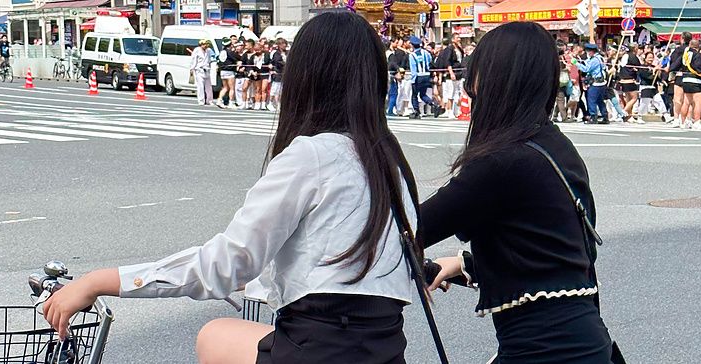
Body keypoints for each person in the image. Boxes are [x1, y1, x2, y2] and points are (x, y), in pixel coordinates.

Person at [41, 12, 421, 364]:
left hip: (320, 350)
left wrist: (98, 281)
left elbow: (226, 264)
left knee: (214, 334)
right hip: (386, 349)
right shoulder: (390, 162)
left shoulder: (311, 155)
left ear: (305, 78)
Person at [421, 21, 622, 363]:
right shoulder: (555, 146)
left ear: (499, 79)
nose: (472, 85)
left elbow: (412, 227)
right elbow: (552, 252)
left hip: (546, 350)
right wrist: (462, 264)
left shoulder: (501, 161)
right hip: (582, 343)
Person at [574, 43, 609, 124]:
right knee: (600, 101)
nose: (587, 54)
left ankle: (593, 117)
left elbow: (586, 69)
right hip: (602, 83)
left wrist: (576, 63)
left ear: (591, 52)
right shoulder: (600, 58)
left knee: (591, 100)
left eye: (588, 52)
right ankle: (605, 116)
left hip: (595, 83)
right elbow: (587, 62)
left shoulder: (594, 60)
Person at [408, 36, 441, 119]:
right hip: (426, 75)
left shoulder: (412, 55)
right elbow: (430, 61)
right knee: (423, 94)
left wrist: (413, 81)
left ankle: (416, 112)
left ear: (412, 45)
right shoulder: (426, 53)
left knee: (414, 95)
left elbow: (413, 69)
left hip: (418, 77)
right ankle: (434, 104)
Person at [681, 39, 701, 130]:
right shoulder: (698, 55)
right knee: (699, 102)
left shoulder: (685, 55)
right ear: (699, 46)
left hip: (685, 79)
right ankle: (697, 122)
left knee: (686, 102)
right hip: (696, 80)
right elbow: (698, 67)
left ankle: (683, 121)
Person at [668, 32, 694, 127]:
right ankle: (688, 119)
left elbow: (673, 61)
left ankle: (676, 119)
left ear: (682, 39)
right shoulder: (693, 51)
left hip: (679, 74)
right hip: (691, 75)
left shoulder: (678, 50)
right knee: (689, 100)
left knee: (678, 99)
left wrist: (671, 70)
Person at [636, 51, 667, 123]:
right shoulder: (642, 67)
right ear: (645, 58)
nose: (651, 59)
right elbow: (646, 76)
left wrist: (660, 76)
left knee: (659, 101)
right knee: (644, 103)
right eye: (649, 57)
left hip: (653, 87)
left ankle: (665, 115)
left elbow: (657, 78)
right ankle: (640, 116)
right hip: (645, 86)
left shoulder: (654, 67)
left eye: (652, 57)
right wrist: (653, 71)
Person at [438, 36, 465, 119]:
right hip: (452, 73)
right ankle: (449, 110)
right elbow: (448, 62)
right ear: (453, 39)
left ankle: (456, 110)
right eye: (457, 38)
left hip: (459, 72)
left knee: (457, 92)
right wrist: (451, 72)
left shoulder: (459, 49)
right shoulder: (450, 49)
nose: (459, 39)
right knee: (451, 92)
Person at [617, 44, 641, 122]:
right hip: (629, 80)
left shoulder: (624, 56)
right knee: (634, 98)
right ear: (634, 49)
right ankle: (623, 112)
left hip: (622, 79)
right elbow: (639, 67)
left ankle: (630, 117)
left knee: (628, 99)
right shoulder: (633, 57)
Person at [190, 39, 213, 106]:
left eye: (206, 44)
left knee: (208, 86)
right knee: (200, 86)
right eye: (204, 44)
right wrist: (192, 68)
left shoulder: (208, 50)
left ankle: (209, 100)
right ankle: (201, 100)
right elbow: (193, 59)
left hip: (207, 69)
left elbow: (210, 59)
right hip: (199, 69)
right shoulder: (197, 50)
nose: (206, 46)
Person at [215, 39, 237, 109]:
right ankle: (231, 102)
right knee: (232, 88)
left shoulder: (222, 52)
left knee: (225, 87)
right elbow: (235, 59)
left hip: (222, 71)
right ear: (230, 45)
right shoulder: (229, 52)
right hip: (229, 71)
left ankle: (219, 100)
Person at [268, 38, 288, 112]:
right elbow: (278, 61)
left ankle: (279, 104)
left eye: (285, 43)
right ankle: (270, 103)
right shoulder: (277, 53)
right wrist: (286, 64)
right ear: (279, 45)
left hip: (284, 73)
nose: (284, 45)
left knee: (281, 90)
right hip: (278, 73)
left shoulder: (287, 52)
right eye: (282, 43)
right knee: (274, 89)